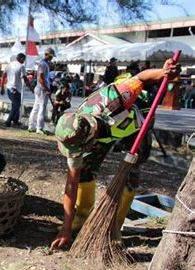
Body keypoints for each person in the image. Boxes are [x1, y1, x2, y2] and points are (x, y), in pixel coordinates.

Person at [50, 58, 179, 250]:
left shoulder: (114, 99)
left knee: (130, 172)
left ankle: (115, 226)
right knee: (84, 170)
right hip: (104, 134)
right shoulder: (74, 135)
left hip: (136, 125)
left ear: (90, 135)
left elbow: (141, 78)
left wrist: (162, 73)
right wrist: (66, 228)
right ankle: (83, 215)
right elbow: (72, 183)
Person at [0, 53, 33, 128]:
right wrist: (31, 88)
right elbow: (25, 79)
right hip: (15, 89)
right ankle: (8, 121)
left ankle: (15, 120)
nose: (24, 61)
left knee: (15, 104)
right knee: (16, 105)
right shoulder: (21, 66)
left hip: (9, 88)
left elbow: (3, 77)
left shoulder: (9, 65)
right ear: (21, 58)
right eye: (24, 59)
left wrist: (2, 88)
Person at [28, 48, 55, 134]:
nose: (52, 58)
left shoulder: (44, 64)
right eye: (51, 56)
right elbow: (40, 78)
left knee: (36, 108)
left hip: (40, 88)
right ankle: (39, 128)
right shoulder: (43, 64)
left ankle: (31, 126)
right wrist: (45, 89)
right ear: (46, 54)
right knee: (41, 108)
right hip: (42, 89)